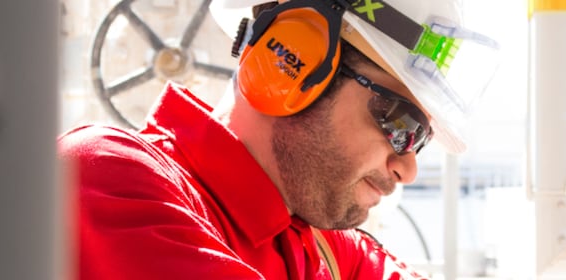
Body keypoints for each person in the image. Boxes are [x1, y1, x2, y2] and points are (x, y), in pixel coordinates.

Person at [59, 0, 499, 279]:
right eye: (401, 123)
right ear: (290, 61)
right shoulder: (105, 178)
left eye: (418, 141)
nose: (408, 168)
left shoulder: (323, 246)